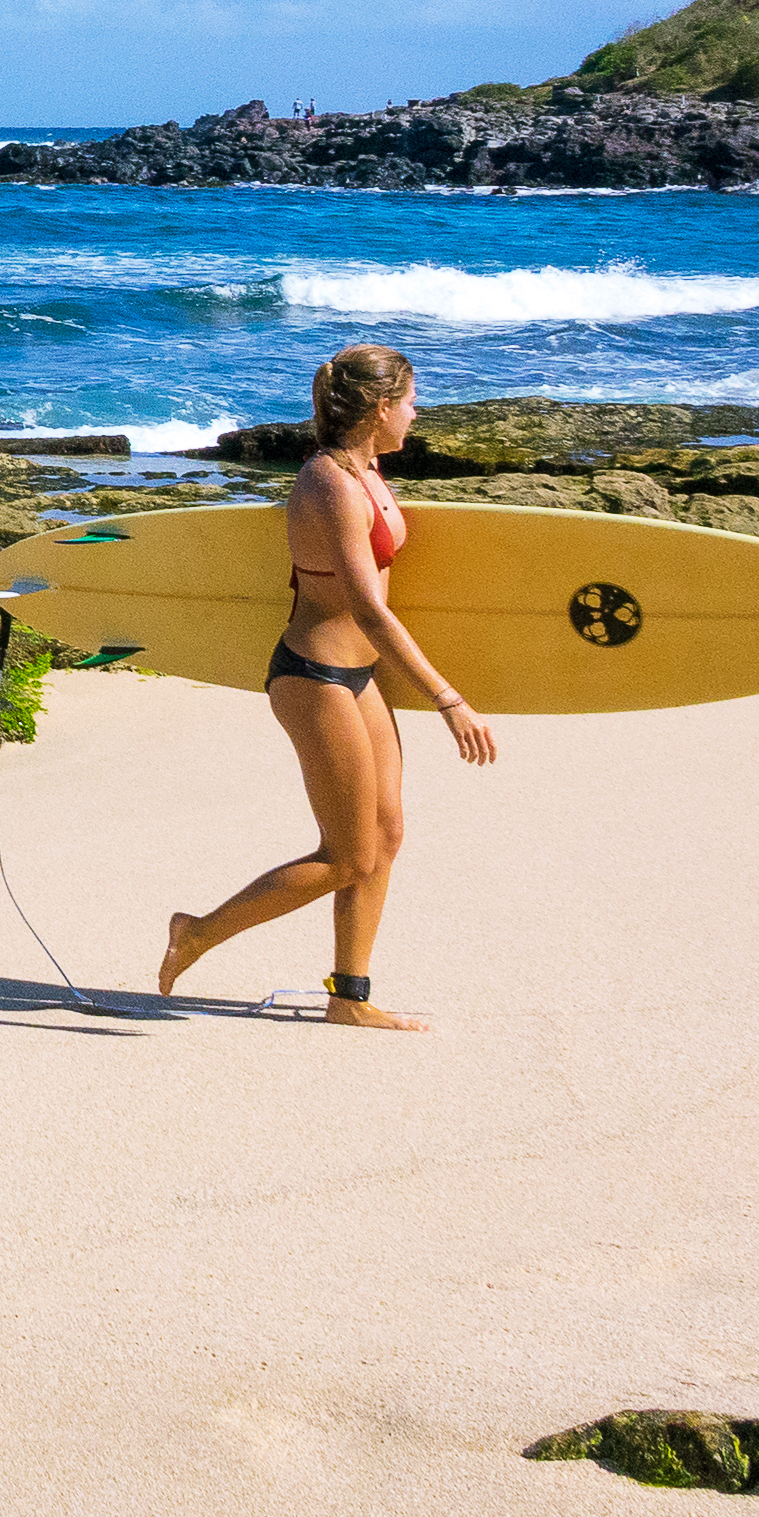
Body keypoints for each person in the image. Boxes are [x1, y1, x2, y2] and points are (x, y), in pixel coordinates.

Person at [156, 344, 497, 1029]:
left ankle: (350, 997)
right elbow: (369, 606)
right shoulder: (330, 484)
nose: (417, 412)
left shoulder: (365, 469)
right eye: (410, 400)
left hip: (359, 676)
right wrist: (445, 697)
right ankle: (197, 931)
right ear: (379, 408)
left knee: (386, 835)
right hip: (313, 677)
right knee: (348, 856)